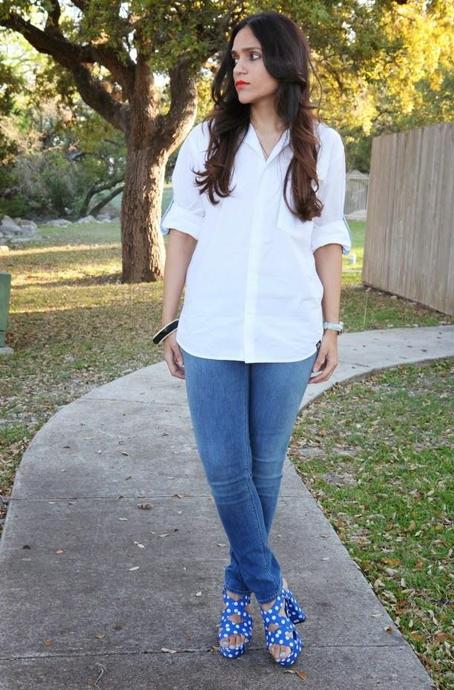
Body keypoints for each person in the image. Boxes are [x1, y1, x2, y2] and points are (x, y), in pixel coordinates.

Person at [157, 10, 351, 667]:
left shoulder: (323, 144)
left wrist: (331, 323)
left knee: (265, 472)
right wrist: (170, 316)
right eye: (232, 57)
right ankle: (272, 591)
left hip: (288, 331)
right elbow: (182, 227)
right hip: (211, 328)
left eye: (250, 57)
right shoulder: (207, 139)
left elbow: (328, 239)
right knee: (225, 469)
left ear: (282, 62)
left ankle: (235, 593)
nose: (236, 68)